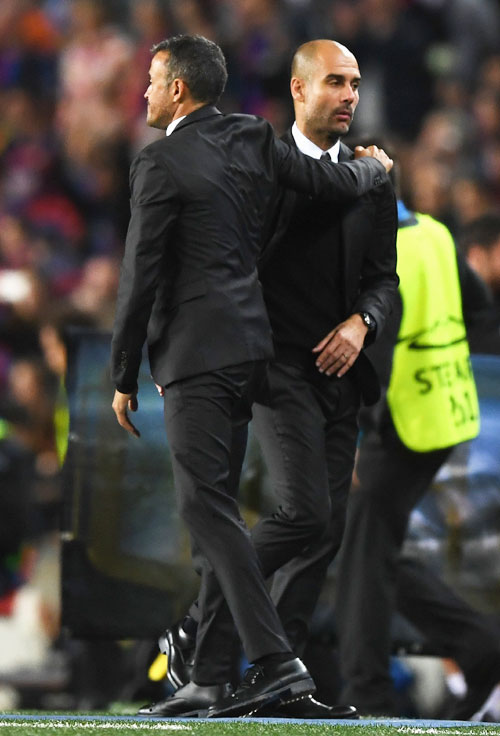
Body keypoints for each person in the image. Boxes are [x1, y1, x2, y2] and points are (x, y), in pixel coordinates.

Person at [110, 34, 393, 719]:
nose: (144, 92)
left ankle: (270, 664)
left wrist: (124, 370)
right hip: (262, 359)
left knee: (211, 509)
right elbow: (331, 186)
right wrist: (374, 170)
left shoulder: (163, 161)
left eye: (151, 80)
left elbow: (140, 277)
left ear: (178, 88)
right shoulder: (252, 140)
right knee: (264, 514)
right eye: (337, 82)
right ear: (298, 90)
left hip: (211, 356)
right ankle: (215, 672)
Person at [333, 180, 500, 718]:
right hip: (444, 412)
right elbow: (478, 311)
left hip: (399, 424)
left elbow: (374, 353)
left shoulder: (380, 250)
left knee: (363, 554)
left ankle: (368, 695)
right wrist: (444, 363)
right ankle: (478, 647)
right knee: (372, 549)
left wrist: (358, 434)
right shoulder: (433, 233)